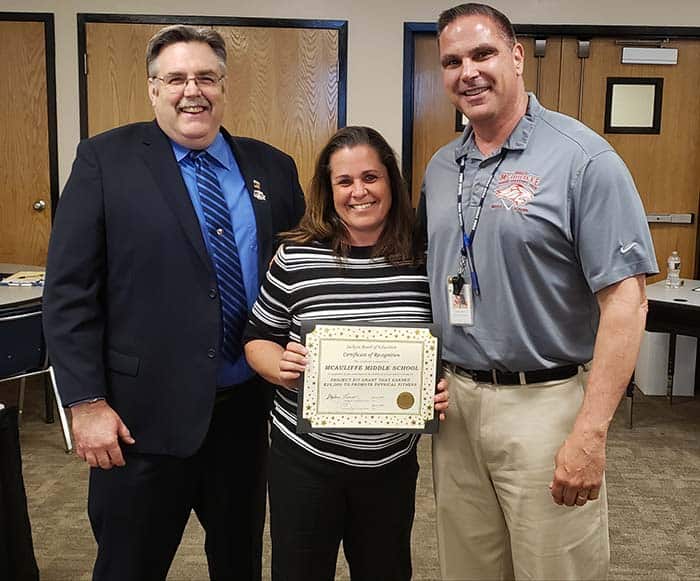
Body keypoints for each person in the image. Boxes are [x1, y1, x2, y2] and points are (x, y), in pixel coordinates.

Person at [43, 25, 305, 581]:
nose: (194, 90)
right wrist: (85, 402)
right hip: (140, 421)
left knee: (240, 563)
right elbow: (69, 293)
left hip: (245, 416)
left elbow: (302, 284)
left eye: (206, 77)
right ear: (153, 89)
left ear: (224, 86)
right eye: (177, 78)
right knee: (129, 566)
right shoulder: (104, 161)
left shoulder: (273, 168)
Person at [418, 4, 658, 580]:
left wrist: (591, 432)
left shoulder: (584, 161)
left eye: (483, 54)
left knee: (557, 569)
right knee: (468, 568)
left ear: (517, 56)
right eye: (452, 62)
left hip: (546, 405)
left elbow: (626, 302)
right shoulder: (440, 167)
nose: (468, 72)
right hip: (458, 405)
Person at [244, 126, 448, 581]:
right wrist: (277, 367)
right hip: (305, 459)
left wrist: (442, 385)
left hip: (391, 463)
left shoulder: (424, 258)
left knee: (385, 570)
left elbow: (447, 345)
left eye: (371, 178)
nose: (360, 192)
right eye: (345, 181)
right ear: (328, 189)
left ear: (391, 182)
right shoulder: (296, 257)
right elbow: (257, 336)